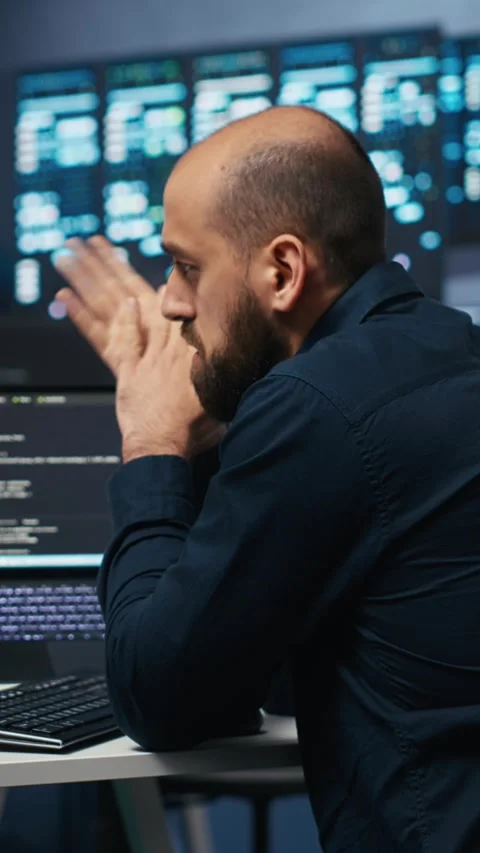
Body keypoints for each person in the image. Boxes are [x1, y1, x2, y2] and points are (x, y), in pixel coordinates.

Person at [55, 106, 480, 853]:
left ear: (281, 271)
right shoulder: (451, 350)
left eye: (187, 266)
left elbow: (160, 695)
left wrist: (154, 445)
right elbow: (282, 660)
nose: (169, 302)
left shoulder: (313, 403)